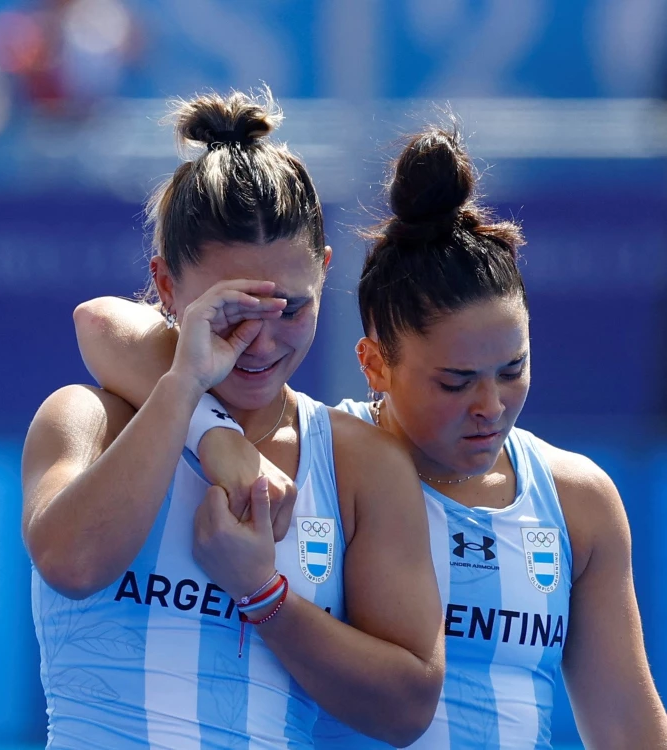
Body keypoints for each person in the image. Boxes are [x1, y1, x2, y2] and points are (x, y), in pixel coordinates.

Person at [74, 121, 667, 749]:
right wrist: (221, 438)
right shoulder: (327, 455)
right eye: (455, 381)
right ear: (374, 364)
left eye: (512, 370)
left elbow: (630, 731)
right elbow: (104, 325)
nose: (489, 406)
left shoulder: (576, 500)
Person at [22, 89, 444, 749]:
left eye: (291, 309)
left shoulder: (362, 462)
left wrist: (263, 595)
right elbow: (71, 565)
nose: (263, 342)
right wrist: (191, 395)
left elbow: (407, 709)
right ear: (165, 286)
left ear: (326, 273)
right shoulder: (87, 418)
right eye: (233, 312)